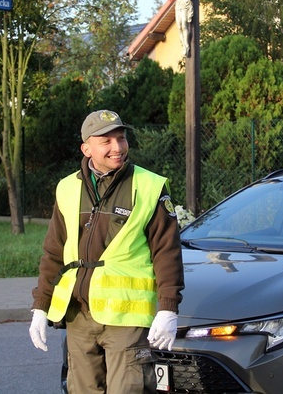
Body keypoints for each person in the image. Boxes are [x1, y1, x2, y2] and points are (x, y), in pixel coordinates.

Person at [29, 109, 185, 394]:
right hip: (78, 316)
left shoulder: (149, 186)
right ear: (86, 148)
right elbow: (53, 251)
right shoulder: (66, 188)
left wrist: (168, 308)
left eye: (121, 138)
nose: (118, 147)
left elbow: (167, 251)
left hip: (127, 319)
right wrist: (40, 306)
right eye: (106, 141)